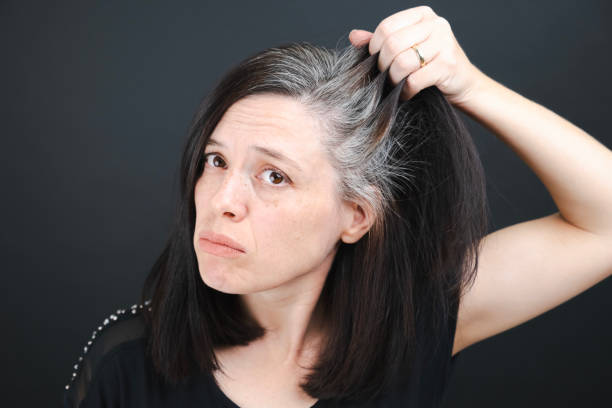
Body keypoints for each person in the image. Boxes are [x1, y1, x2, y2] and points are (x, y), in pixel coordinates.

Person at [62, 5, 612, 408]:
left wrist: (470, 87)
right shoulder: (127, 365)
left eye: (274, 176)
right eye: (216, 161)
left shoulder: (410, 331)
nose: (223, 202)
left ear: (355, 216)